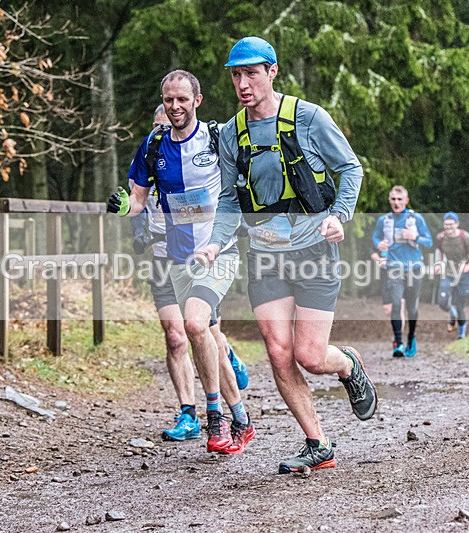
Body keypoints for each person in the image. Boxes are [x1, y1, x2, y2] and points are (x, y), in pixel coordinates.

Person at [195, 36, 378, 474]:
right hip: (265, 255)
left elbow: (350, 168)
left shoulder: (309, 118)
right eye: (236, 75)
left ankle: (348, 363)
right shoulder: (232, 134)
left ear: (272, 72)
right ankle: (318, 444)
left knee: (310, 356)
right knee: (279, 352)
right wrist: (216, 241)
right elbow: (227, 200)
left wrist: (340, 215)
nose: (243, 83)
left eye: (252, 73)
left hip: (314, 249)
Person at [110, 70, 255, 455]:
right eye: (169, 100)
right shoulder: (153, 145)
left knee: (193, 325)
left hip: (217, 253)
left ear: (197, 101)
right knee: (206, 336)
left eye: (182, 100)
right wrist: (124, 206)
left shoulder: (216, 136)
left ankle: (214, 418)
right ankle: (240, 417)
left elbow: (248, 178)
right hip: (176, 259)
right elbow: (138, 201)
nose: (175, 106)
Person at [371, 185, 432, 357]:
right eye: (393, 199)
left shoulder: (416, 219)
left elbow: (428, 242)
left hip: (414, 268)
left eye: (399, 199)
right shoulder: (384, 220)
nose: (396, 202)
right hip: (394, 268)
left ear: (406, 200)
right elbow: (376, 237)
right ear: (389, 200)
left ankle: (411, 337)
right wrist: (379, 244)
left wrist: (415, 237)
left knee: (412, 307)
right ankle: (398, 342)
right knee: (396, 303)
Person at [434, 212, 469, 338]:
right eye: (446, 225)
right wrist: (438, 264)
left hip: (464, 275)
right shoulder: (441, 238)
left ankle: (462, 334)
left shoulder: (465, 237)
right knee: (442, 302)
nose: (448, 228)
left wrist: (467, 267)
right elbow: (439, 250)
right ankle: (452, 314)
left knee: (460, 305)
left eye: (451, 225)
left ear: (457, 224)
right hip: (448, 273)